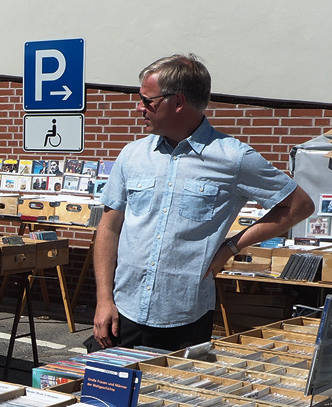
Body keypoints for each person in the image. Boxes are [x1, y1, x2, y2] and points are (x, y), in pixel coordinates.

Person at [93, 54, 314, 352]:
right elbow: (109, 229)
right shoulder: (132, 155)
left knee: (173, 399)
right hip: (124, 311)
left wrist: (231, 247)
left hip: (185, 316)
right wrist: (104, 300)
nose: (139, 108)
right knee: (107, 397)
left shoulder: (233, 158)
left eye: (148, 101)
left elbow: (299, 206)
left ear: (178, 101)